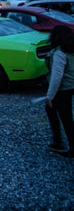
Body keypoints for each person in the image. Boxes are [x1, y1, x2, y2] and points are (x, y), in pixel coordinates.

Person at [44, 25, 74, 157]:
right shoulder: (71, 50)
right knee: (64, 116)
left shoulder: (59, 53)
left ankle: (61, 143)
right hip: (72, 86)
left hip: (63, 89)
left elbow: (57, 76)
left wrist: (50, 96)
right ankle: (59, 141)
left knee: (65, 118)